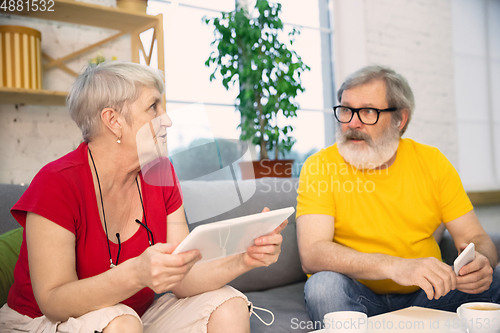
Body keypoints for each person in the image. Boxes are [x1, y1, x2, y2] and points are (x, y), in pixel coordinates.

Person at [0, 61, 287, 333]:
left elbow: (183, 276)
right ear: (113, 120)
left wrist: (244, 259)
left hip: (134, 316)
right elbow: (53, 300)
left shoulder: (161, 172)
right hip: (43, 321)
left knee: (228, 304)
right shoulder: (57, 183)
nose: (168, 120)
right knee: (121, 322)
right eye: (153, 107)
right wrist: (135, 274)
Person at [296, 65, 499, 325]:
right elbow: (312, 254)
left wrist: (483, 261)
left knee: (495, 277)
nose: (352, 122)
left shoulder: (432, 162)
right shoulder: (320, 166)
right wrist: (396, 266)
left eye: (367, 111)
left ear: (399, 119)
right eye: (346, 109)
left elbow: (476, 237)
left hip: (429, 294)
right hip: (358, 297)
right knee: (323, 286)